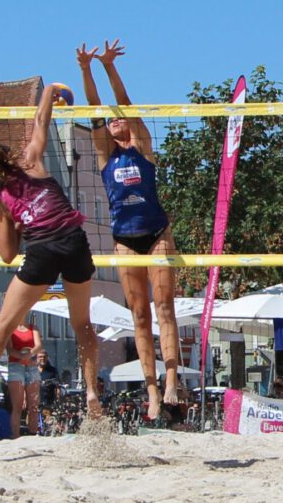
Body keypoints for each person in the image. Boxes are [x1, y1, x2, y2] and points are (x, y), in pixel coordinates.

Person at [0, 83, 102, 423]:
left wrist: (16, 224)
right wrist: (52, 91)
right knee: (83, 324)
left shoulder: (2, 202)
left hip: (43, 250)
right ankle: (90, 392)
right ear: (7, 155)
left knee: (2, 325)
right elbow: (41, 121)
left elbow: (6, 256)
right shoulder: (31, 161)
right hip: (74, 242)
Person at [76, 39, 180, 419]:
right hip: (124, 239)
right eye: (112, 118)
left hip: (156, 234)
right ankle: (151, 391)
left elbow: (127, 104)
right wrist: (86, 70)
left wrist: (108, 66)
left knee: (164, 306)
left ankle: (171, 380)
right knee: (139, 314)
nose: (116, 120)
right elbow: (94, 110)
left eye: (120, 118)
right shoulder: (106, 153)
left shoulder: (143, 148)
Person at [7, 319, 42, 437]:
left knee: (33, 405)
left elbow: (39, 346)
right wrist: (22, 356)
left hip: (31, 365)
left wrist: (29, 354)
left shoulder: (33, 328)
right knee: (17, 405)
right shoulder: (10, 328)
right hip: (16, 366)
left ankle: (33, 433)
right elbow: (9, 349)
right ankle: (15, 436)